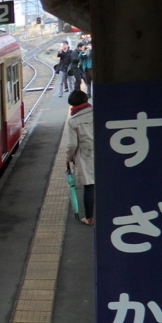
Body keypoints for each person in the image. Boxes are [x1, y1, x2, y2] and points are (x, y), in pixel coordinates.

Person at [66, 90, 95, 225]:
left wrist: (69, 157)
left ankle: (89, 218)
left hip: (86, 154)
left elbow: (72, 144)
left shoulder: (73, 120)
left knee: (89, 186)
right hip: (104, 152)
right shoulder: (97, 112)